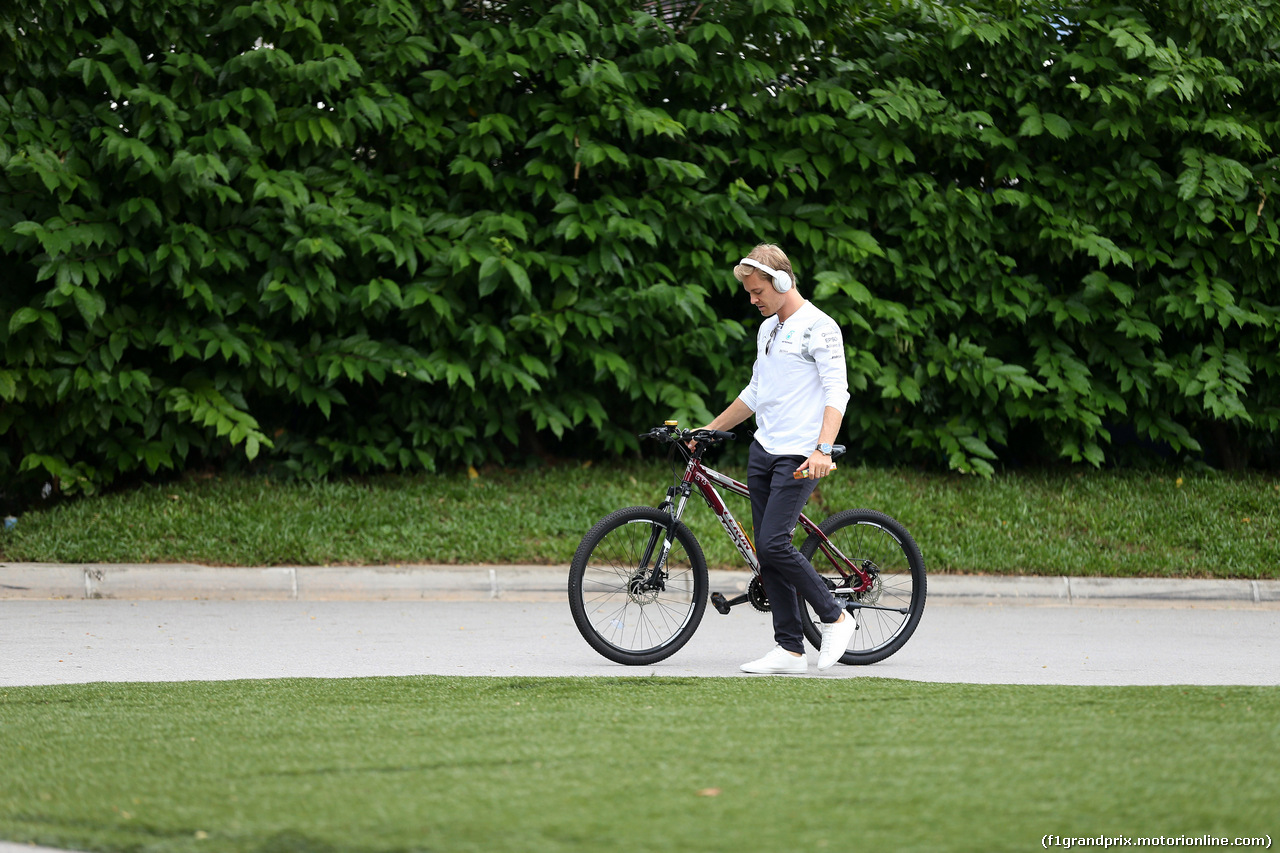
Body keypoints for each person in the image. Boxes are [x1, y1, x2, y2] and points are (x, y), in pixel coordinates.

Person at [696, 243, 857, 674]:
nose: (752, 300)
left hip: (801, 454)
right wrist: (709, 431)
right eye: (748, 293)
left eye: (756, 291)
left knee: (773, 542)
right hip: (763, 450)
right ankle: (789, 650)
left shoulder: (821, 328)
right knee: (765, 553)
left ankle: (836, 617)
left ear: (782, 282)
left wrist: (823, 448)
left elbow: (836, 391)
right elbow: (755, 393)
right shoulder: (768, 330)